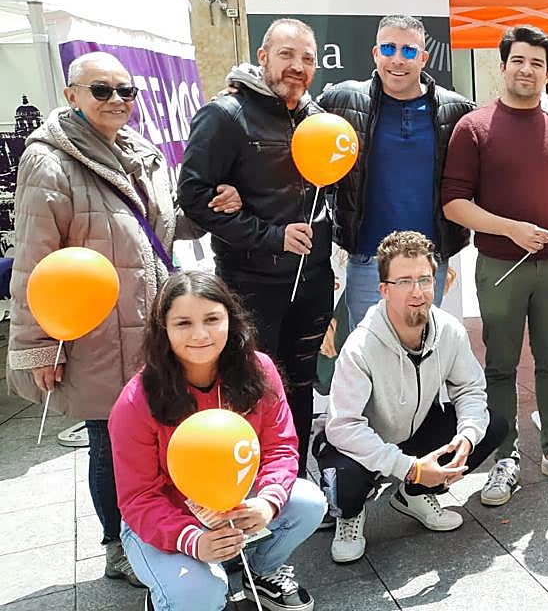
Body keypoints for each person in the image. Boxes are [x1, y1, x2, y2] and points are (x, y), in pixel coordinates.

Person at [7, 51, 241, 587]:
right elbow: (33, 262)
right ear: (72, 95)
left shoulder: (141, 153)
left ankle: (162, 527)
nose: (116, 100)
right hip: (96, 334)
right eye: (101, 90)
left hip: (155, 327)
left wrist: (213, 208)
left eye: (125, 91)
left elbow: (160, 226)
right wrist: (40, 345)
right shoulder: (49, 161)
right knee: (110, 442)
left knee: (153, 437)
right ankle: (117, 544)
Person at [110, 270, 325, 610]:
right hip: (161, 520)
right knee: (202, 595)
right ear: (162, 329)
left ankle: (262, 571)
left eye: (212, 318)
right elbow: (138, 498)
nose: (200, 334)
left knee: (310, 502)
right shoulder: (137, 400)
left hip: (236, 499)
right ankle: (171, 594)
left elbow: (280, 447)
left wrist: (267, 501)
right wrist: (193, 541)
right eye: (183, 323)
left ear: (230, 319)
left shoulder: (259, 370)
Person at [442, 25, 548, 504]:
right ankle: (504, 458)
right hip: (499, 266)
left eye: (537, 63)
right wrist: (509, 228)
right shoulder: (475, 127)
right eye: (518, 60)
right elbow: (453, 203)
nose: (527, 70)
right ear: (502, 65)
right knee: (501, 366)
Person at [178, 18, 334, 463]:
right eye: (286, 55)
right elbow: (192, 196)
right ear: (262, 57)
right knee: (253, 385)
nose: (297, 67)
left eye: (307, 58)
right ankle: (252, 475)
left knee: (301, 384)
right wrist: (269, 237)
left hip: (312, 282)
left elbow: (328, 191)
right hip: (250, 285)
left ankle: (296, 473)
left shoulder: (317, 118)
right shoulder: (225, 115)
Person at [315, 231, 507, 563]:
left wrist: (467, 435)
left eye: (424, 279)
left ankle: (414, 496)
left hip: (413, 431)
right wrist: (410, 467)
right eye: (404, 281)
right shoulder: (361, 345)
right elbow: (344, 426)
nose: (417, 292)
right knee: (345, 483)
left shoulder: (449, 330)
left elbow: (470, 389)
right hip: (360, 442)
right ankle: (350, 515)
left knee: (491, 425)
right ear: (384, 290)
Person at [318, 15, 475, 323]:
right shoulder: (341, 100)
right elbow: (289, 124)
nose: (398, 60)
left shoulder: (456, 110)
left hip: (428, 264)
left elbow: (492, 141)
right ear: (376, 53)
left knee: (421, 352)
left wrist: (543, 106)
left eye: (409, 51)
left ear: (424, 58)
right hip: (367, 261)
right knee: (369, 357)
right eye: (388, 49)